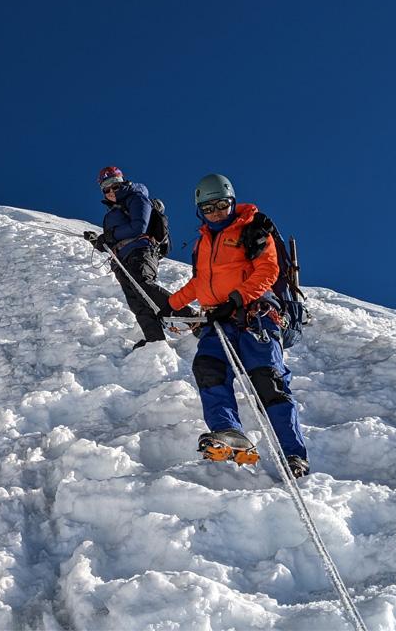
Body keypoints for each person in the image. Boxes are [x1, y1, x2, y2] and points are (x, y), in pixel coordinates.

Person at [163, 173, 310, 477]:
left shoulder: (254, 229)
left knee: (266, 380)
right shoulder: (203, 243)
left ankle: (293, 454)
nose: (216, 212)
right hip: (219, 320)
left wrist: (236, 300)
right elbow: (200, 283)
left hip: (255, 315)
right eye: (208, 208)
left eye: (221, 205)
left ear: (232, 202)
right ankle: (229, 431)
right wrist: (171, 305)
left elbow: (268, 270)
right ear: (199, 210)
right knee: (207, 368)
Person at [84, 166, 188, 350]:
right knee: (136, 301)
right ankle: (155, 341)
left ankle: (190, 316)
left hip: (141, 251)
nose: (110, 191)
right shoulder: (114, 210)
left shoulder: (136, 197)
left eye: (114, 185)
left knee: (144, 285)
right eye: (105, 188)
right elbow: (112, 240)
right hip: (122, 259)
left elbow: (138, 227)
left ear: (122, 182)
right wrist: (98, 241)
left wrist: (110, 235)